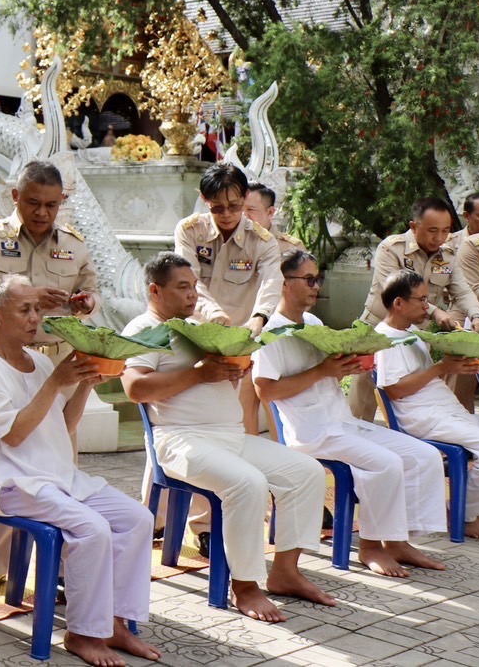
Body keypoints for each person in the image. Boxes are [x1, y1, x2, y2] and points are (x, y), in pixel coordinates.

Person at [122, 252, 331, 622]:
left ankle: (285, 571)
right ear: (155, 290)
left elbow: (222, 371)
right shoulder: (143, 329)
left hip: (229, 437)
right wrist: (199, 375)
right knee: (247, 484)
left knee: (306, 472)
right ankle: (245, 585)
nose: (192, 296)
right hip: (179, 440)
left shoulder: (200, 328)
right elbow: (135, 388)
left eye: (194, 287)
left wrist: (237, 365)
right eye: (182, 288)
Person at [0, 274, 159, 667]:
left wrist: (86, 382)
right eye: (25, 309)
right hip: (17, 484)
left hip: (60, 479)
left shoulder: (37, 361)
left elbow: (64, 425)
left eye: (37, 308)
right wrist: (55, 381)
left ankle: (115, 622)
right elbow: (16, 436)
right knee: (93, 528)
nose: (35, 318)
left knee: (138, 519)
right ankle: (82, 634)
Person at [253, 250, 446, 575]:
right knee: (386, 463)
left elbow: (327, 373)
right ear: (285, 284)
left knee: (423, 455)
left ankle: (398, 540)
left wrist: (346, 365)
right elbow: (266, 390)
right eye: (309, 279)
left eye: (319, 279)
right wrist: (323, 371)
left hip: (342, 422)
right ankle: (371, 546)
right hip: (312, 432)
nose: (316, 286)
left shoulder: (313, 323)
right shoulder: (270, 331)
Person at [373, 270, 479, 540]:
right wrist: (442, 367)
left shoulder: (414, 334)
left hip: (446, 412)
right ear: (399, 303)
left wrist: (456, 364)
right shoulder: (384, 337)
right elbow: (394, 390)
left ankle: (464, 508)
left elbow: (426, 378)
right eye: (421, 300)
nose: (427, 307)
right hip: (423, 418)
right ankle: (462, 512)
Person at [173, 162, 282, 435]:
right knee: (182, 416)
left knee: (230, 416)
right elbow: (188, 279)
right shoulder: (189, 230)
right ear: (204, 199)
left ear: (245, 198)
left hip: (236, 342)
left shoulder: (262, 241)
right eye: (217, 207)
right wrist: (212, 313)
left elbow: (271, 282)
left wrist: (259, 319)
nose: (226, 214)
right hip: (192, 336)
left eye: (234, 206)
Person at [357, 198, 479, 418]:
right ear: (413, 227)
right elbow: (393, 294)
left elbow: (463, 290)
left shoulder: (447, 255)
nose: (438, 238)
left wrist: (477, 316)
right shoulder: (392, 249)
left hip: (415, 334)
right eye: (432, 231)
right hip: (376, 332)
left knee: (413, 401)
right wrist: (435, 311)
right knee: (364, 400)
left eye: (446, 231)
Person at [0, 159, 99, 356]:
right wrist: (30, 297)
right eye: (33, 203)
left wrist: (87, 304)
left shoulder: (73, 243)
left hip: (57, 360)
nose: (42, 213)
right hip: (1, 360)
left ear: (61, 200)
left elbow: (93, 292)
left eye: (51, 205)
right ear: (16, 196)